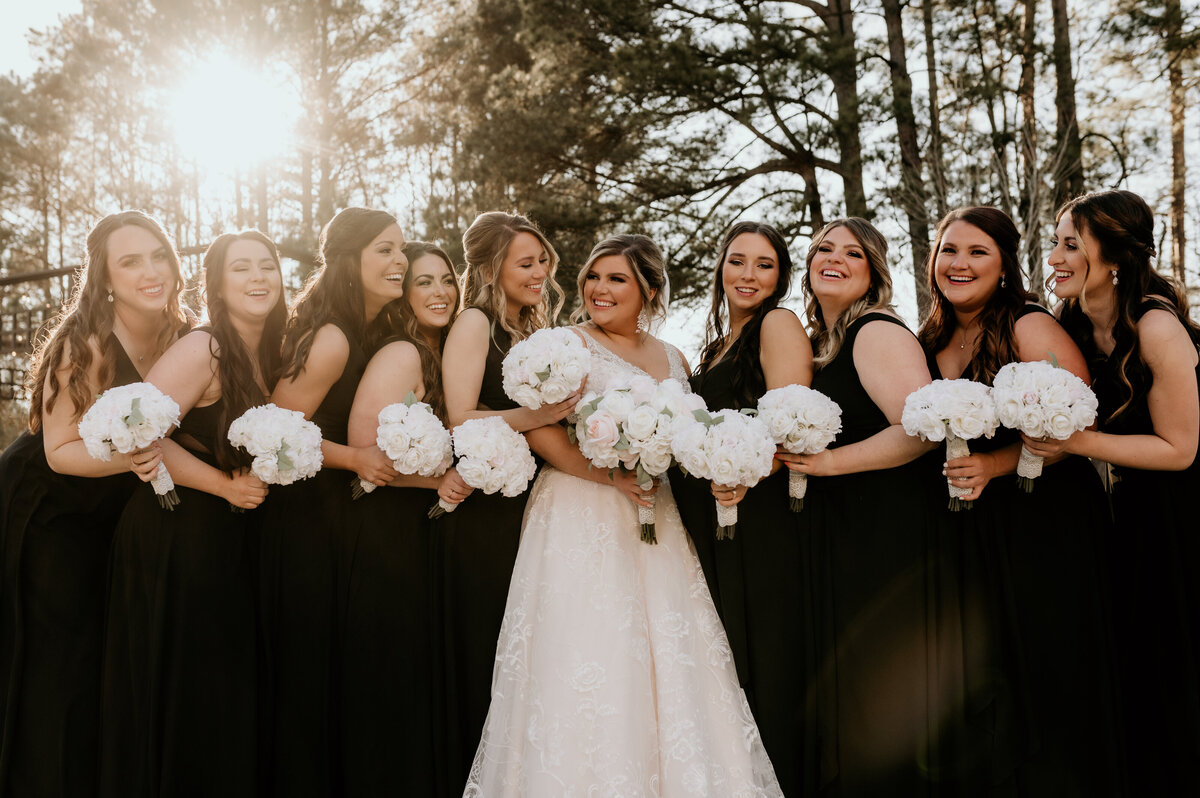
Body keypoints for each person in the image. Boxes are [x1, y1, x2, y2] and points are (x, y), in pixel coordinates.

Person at [465, 234, 783, 796]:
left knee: (666, 658)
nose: (598, 289)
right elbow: (538, 424)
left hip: (654, 516)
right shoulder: (563, 344)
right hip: (578, 507)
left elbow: (686, 438)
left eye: (616, 279)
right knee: (583, 652)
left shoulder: (675, 357)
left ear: (650, 290)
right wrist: (607, 476)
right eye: (592, 276)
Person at [917, 207, 1122, 794]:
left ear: (1005, 262)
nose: (959, 263)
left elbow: (1077, 419)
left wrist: (996, 465)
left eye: (978, 252)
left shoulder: (1027, 324)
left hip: (1045, 519)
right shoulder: (929, 337)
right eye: (948, 251)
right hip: (974, 529)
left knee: (1050, 664)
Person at [0, 210, 189, 795]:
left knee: (105, 661)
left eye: (158, 255)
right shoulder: (83, 341)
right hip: (49, 509)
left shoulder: (184, 336)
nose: (150, 271)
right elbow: (59, 449)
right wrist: (131, 460)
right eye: (130, 261)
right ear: (104, 278)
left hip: (113, 510)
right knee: (61, 663)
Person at [1026, 189, 1200, 795]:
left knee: (1177, 666)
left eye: (1071, 245)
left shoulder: (1155, 323)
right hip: (1128, 511)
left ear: (1116, 257)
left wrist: (1074, 443)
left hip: (1183, 514)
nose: (1055, 257)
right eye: (1055, 242)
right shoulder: (1074, 326)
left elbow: (1180, 450)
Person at [99, 230, 285, 797]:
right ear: (218, 287)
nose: (258, 278)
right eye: (241, 269)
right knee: (188, 688)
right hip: (177, 533)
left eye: (267, 266)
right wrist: (223, 486)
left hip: (225, 540)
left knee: (222, 692)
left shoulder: (271, 351)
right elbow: (140, 431)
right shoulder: (204, 348)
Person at [779, 218, 938, 794]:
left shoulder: (875, 329)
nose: (835, 258)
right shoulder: (826, 340)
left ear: (874, 274)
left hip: (883, 529)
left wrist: (825, 465)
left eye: (853, 253)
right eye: (824, 249)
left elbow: (921, 430)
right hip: (845, 525)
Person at [257, 207, 407, 797]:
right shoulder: (333, 338)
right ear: (351, 260)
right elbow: (271, 429)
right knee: (305, 678)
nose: (398, 261)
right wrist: (355, 458)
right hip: (300, 521)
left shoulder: (366, 329)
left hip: (333, 518)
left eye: (400, 250)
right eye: (384, 251)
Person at [436, 212, 576, 791]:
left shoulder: (529, 330)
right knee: (488, 647)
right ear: (491, 269)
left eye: (543, 260)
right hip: (482, 512)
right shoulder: (475, 323)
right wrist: (537, 417)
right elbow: (459, 415)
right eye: (526, 262)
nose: (540, 271)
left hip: (529, 506)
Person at [679, 220, 811, 796]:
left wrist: (743, 477)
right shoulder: (715, 345)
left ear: (780, 277)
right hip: (718, 518)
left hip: (761, 517)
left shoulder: (777, 324)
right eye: (738, 261)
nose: (748, 274)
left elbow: (791, 428)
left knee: (766, 654)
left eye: (764, 264)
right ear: (721, 267)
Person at [339, 241, 470, 796]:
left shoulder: (443, 353)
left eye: (446, 280)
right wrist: (437, 479)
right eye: (423, 282)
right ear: (403, 294)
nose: (439, 292)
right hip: (386, 533)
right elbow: (363, 451)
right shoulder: (401, 352)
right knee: (390, 678)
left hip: (422, 531)